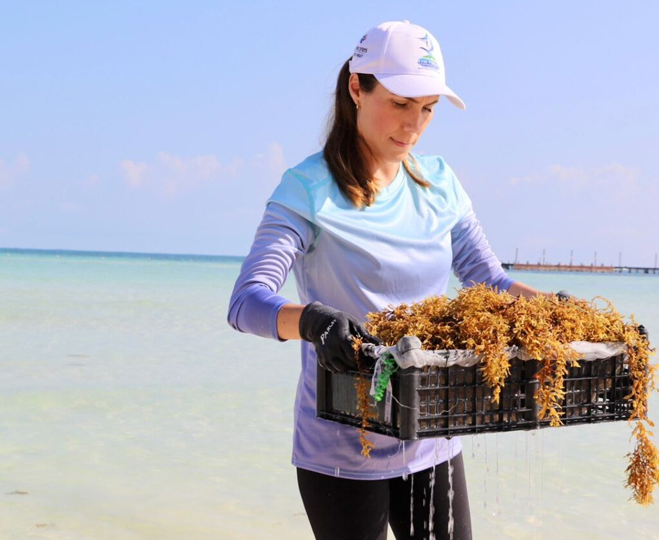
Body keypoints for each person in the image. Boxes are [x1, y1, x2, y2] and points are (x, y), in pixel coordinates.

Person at [228, 20, 554, 540]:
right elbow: (246, 303)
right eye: (401, 103)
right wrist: (311, 321)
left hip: (433, 431)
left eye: (427, 109)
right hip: (341, 448)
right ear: (357, 88)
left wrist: (562, 310)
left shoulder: (441, 184)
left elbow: (488, 279)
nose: (414, 125)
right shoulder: (306, 190)